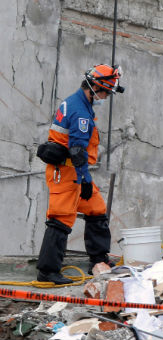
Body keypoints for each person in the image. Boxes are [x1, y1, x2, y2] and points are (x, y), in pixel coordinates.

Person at [36, 64, 124, 284]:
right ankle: (48, 272)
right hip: (67, 172)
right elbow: (77, 151)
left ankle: (98, 260)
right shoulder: (80, 112)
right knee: (61, 218)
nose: (106, 97)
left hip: (73, 170)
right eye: (106, 92)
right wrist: (84, 179)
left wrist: (84, 179)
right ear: (95, 87)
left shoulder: (78, 102)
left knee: (96, 209)